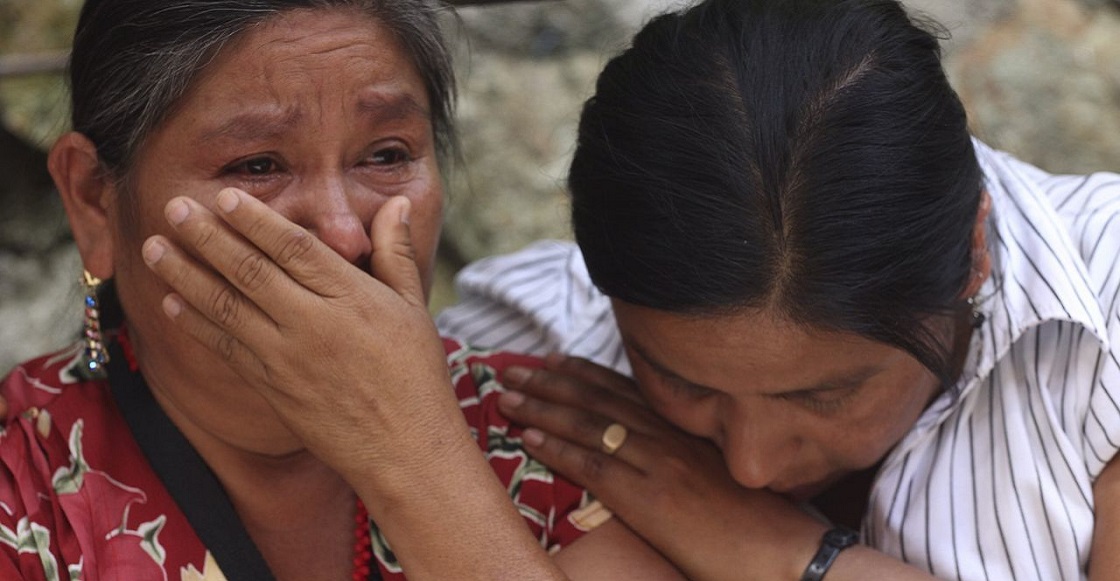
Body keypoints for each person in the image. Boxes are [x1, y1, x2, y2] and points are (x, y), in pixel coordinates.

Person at [0, 0, 685, 579]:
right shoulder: (26, 491)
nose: (341, 235)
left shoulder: (553, 434)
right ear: (94, 199)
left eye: (386, 155)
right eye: (257, 164)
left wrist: (416, 458)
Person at [436, 0, 1120, 579]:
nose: (750, 465)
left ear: (973, 252)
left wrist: (784, 552)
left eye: (827, 394)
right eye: (682, 382)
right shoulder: (539, 340)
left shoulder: (1105, 305)